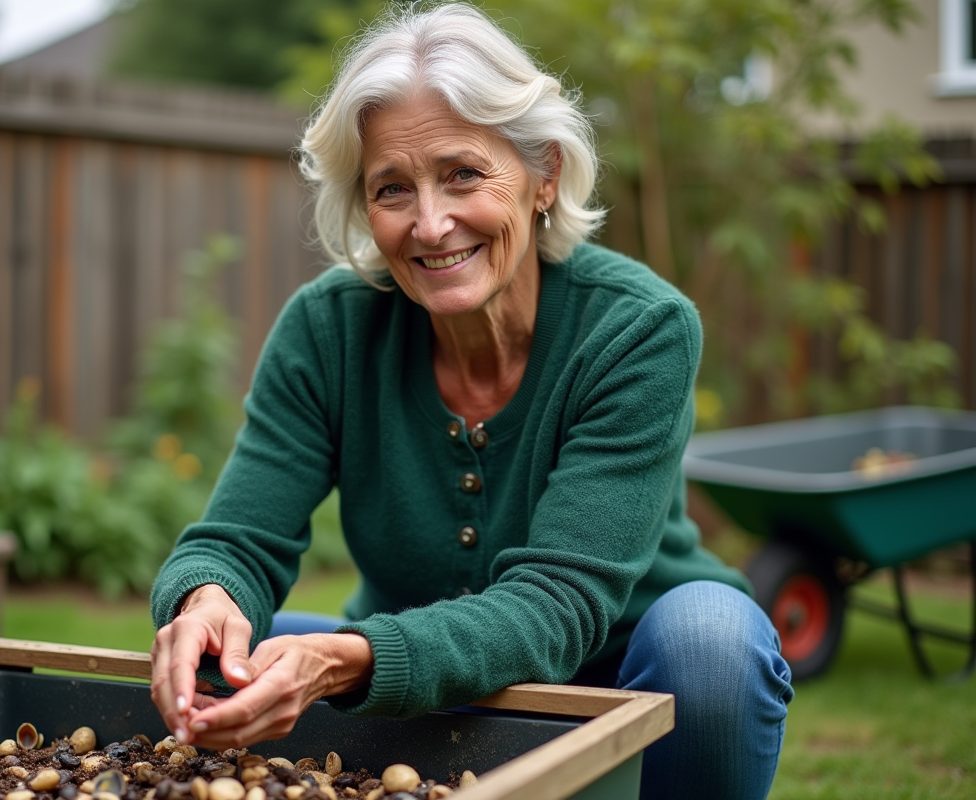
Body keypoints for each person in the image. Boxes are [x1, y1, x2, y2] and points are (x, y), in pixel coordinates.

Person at [149, 4, 794, 798]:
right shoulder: (329, 329)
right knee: (227, 663)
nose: (430, 223)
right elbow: (238, 539)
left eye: (462, 173)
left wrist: (354, 659)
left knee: (711, 640)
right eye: (393, 188)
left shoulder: (637, 329)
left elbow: (557, 607)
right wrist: (206, 599)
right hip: (407, 671)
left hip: (621, 669)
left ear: (543, 175)